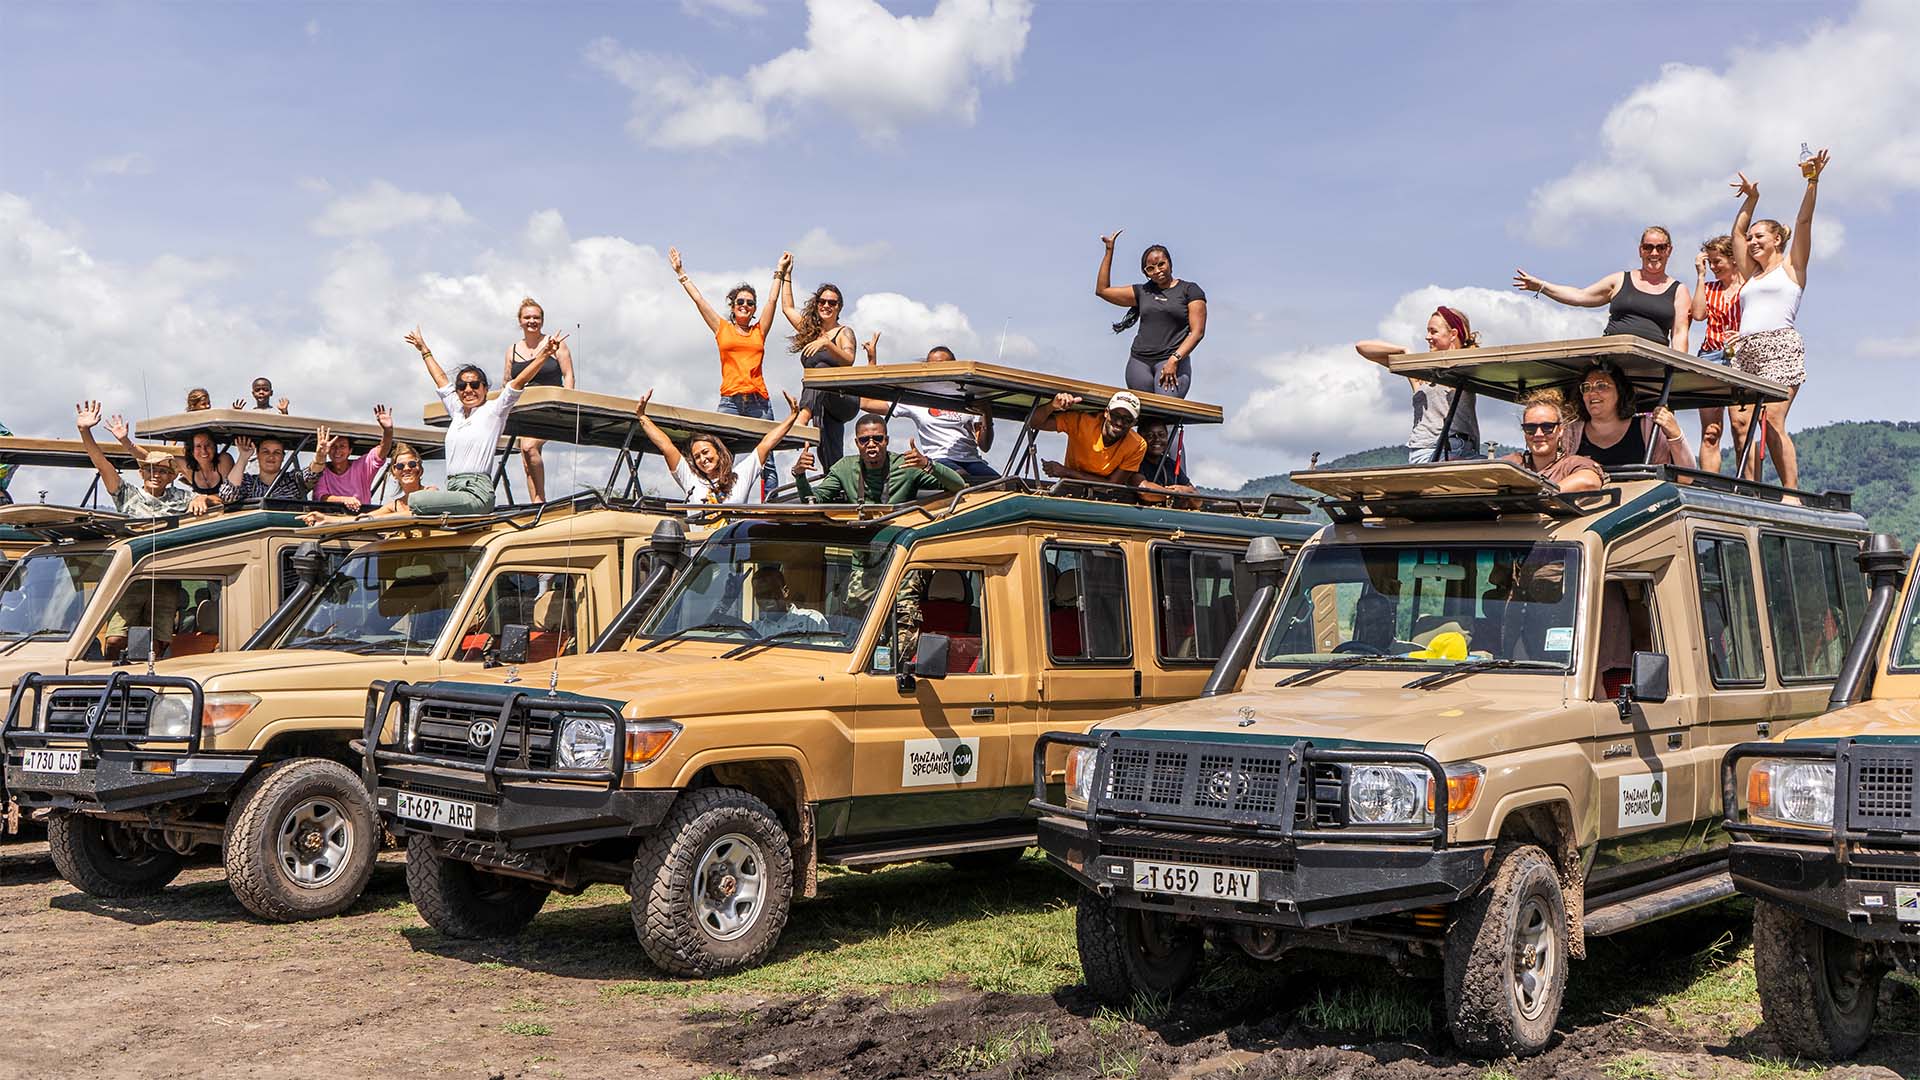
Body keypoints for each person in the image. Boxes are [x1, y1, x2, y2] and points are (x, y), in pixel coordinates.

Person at [1725, 150, 1827, 489]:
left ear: (1777, 239)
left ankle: (1791, 492)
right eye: (1752, 238)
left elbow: (1804, 223)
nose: (1752, 242)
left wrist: (1812, 182)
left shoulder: (1791, 268)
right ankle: (1750, 489)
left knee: (1771, 420)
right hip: (1745, 350)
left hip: (1779, 347)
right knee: (1741, 425)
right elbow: (1736, 235)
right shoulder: (1750, 273)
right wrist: (1752, 199)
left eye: (1760, 237)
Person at [404, 325, 558, 516]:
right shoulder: (457, 411)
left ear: (485, 388)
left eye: (475, 385)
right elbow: (441, 380)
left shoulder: (494, 410)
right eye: (462, 386)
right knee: (423, 499)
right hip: (455, 490)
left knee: (416, 500)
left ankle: (378, 518)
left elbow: (518, 382)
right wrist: (424, 349)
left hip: (477, 493)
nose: (468, 389)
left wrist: (544, 355)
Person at [670, 247, 787, 496]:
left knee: (768, 459)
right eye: (740, 302)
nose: (745, 306)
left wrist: (779, 272)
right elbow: (700, 301)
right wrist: (682, 274)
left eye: (750, 303)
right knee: (720, 454)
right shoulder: (722, 328)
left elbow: (772, 302)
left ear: (753, 309)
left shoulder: (759, 331)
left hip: (759, 403)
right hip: (730, 401)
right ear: (733, 307)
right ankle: (721, 499)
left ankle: (771, 508)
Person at [1514, 227, 1692, 352]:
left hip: (1653, 363)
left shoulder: (1679, 290)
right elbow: (1580, 296)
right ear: (1640, 250)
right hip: (1613, 356)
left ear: (1669, 250)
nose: (1654, 253)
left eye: (1660, 247)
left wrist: (1677, 372)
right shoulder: (1620, 280)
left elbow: (1679, 334)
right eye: (1648, 247)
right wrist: (1542, 286)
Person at [855, 334, 997, 481]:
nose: (938, 370)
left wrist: (987, 413)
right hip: (939, 460)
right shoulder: (918, 397)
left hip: (972, 461)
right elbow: (866, 403)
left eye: (943, 366)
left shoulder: (968, 395)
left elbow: (985, 446)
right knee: (962, 478)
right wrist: (872, 360)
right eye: (932, 367)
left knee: (1005, 483)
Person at [1355, 306, 1484, 463]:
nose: (1427, 337)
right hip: (1431, 450)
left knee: (1514, 460)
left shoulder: (1466, 365)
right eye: (1428, 331)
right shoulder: (1421, 374)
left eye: (1433, 331)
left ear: (1453, 334)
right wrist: (1403, 351)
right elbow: (1362, 347)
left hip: (1458, 447)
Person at [634, 388, 804, 505]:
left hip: (733, 553)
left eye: (705, 452)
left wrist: (792, 416)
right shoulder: (691, 479)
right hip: (701, 552)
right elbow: (666, 446)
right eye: (697, 457)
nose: (702, 459)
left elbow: (766, 444)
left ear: (719, 451)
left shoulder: (740, 476)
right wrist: (642, 417)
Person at [1095, 231, 1206, 397]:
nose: (1157, 270)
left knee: (1163, 413)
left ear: (1170, 263)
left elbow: (1197, 332)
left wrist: (1174, 359)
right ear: (1146, 272)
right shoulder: (1142, 292)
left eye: (1161, 264)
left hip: (1171, 360)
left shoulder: (1189, 290)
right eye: (1150, 268)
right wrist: (1109, 251)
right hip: (1139, 361)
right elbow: (1102, 290)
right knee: (1143, 416)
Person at [74, 401, 216, 518]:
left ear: (172, 477)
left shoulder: (181, 497)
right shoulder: (126, 494)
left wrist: (202, 499)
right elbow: (102, 466)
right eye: (150, 469)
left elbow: (218, 500)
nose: (156, 475)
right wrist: (84, 431)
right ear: (141, 473)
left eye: (163, 471)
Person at [780, 266, 860, 468]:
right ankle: (836, 481)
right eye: (822, 301)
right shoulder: (810, 332)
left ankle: (802, 417)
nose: (826, 305)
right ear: (816, 305)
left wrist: (827, 344)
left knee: (821, 368)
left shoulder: (843, 332)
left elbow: (849, 359)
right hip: (822, 402)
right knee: (828, 448)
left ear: (839, 307)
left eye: (831, 303)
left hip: (843, 398)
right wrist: (786, 275)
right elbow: (787, 308)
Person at [791, 413, 966, 504]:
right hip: (860, 552)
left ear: (886, 441)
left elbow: (958, 485)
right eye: (864, 440)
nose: (871, 444)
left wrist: (928, 464)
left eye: (878, 438)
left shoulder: (906, 466)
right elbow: (814, 500)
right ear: (857, 443)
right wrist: (799, 475)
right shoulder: (844, 468)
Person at [501, 296, 575, 503]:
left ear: (542, 320)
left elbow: (568, 374)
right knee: (526, 459)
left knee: (529, 448)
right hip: (523, 409)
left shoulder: (556, 344)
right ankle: (535, 502)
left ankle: (540, 501)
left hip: (550, 408)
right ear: (520, 321)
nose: (532, 321)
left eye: (536, 317)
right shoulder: (512, 350)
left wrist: (567, 402)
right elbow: (507, 380)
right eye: (527, 317)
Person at [1562, 361, 1695, 470]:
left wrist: (1676, 435)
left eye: (1602, 386)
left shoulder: (1648, 428)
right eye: (1586, 388)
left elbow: (1685, 478)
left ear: (1620, 392)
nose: (1592, 393)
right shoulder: (1570, 432)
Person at [1689, 236, 1745, 473]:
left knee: (1741, 426)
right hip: (1711, 354)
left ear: (1733, 259)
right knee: (1711, 431)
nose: (1713, 267)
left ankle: (1748, 486)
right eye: (1710, 262)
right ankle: (1711, 484)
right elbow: (1699, 315)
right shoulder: (1709, 288)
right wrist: (1701, 276)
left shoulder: (1748, 287)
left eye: (1717, 261)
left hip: (1740, 356)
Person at [1027, 391, 1151, 490]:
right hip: (1069, 488)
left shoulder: (1138, 445)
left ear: (1134, 423)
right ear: (1106, 413)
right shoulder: (1081, 422)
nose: (1119, 422)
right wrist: (1052, 406)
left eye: (1127, 419)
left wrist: (1066, 472)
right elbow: (1032, 422)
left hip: (1104, 496)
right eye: (1116, 415)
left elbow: (1112, 484)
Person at [302, 442, 434, 524]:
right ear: (394, 472)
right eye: (400, 466)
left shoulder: (430, 493)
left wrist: (384, 518)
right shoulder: (394, 505)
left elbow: (415, 513)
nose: (406, 469)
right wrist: (326, 519)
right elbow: (361, 519)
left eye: (411, 464)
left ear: (420, 469)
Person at [1501, 394, 1604, 491]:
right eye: (1530, 428)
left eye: (1547, 427)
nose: (1538, 434)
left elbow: (1589, 481)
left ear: (1560, 430)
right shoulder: (1513, 463)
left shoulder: (1571, 464)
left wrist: (1545, 494)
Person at [310, 406, 395, 511]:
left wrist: (388, 430)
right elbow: (321, 497)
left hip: (360, 519)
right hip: (329, 520)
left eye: (342, 446)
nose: (337, 451)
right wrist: (345, 500)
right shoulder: (321, 469)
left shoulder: (362, 466)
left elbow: (383, 450)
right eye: (333, 446)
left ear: (350, 451)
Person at [223, 435, 310, 502]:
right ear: (258, 454)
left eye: (277, 453)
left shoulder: (292, 481)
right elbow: (228, 496)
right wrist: (243, 457)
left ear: (283, 457)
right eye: (266, 452)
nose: (271, 456)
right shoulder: (248, 482)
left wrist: (319, 458)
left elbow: (311, 475)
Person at [749, 566, 828, 637]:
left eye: (770, 593)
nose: (766, 599)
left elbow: (824, 651)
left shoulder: (811, 619)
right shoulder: (754, 629)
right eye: (760, 595)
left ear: (785, 591)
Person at [1137, 420, 1195, 493]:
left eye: (1161, 435)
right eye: (1150, 436)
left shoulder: (1170, 464)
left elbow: (1196, 496)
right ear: (1140, 438)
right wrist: (1174, 493)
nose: (1157, 439)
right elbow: (1143, 489)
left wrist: (1183, 491)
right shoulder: (1135, 461)